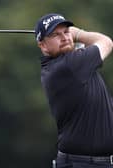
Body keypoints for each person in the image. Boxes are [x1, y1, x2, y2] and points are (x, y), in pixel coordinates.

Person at [35, 13, 113, 168]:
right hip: (81, 163)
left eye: (66, 32)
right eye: (55, 35)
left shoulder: (70, 65)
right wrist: (78, 33)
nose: (64, 37)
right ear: (43, 45)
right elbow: (106, 42)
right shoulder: (69, 66)